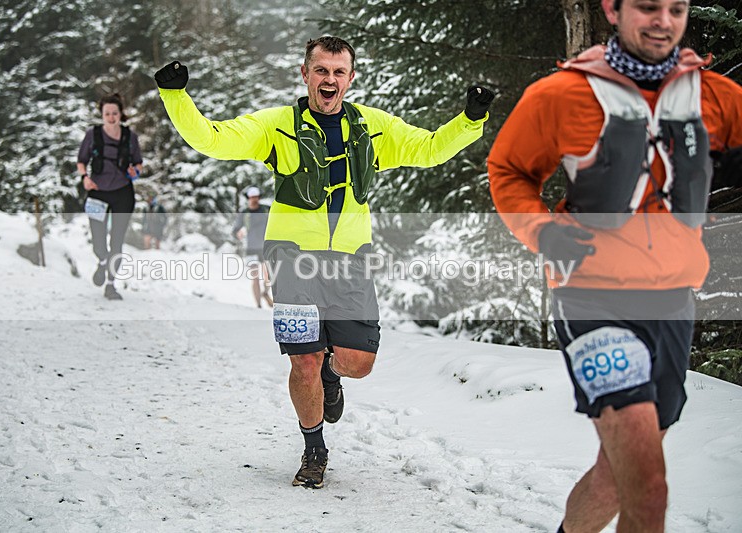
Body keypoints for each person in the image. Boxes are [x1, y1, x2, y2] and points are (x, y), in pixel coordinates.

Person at [155, 36, 494, 488]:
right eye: (321, 70)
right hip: (292, 258)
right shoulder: (277, 126)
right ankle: (314, 447)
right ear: (305, 74)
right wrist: (175, 96)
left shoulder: (373, 128)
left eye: (338, 72)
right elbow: (213, 139)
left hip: (350, 260)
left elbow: (429, 148)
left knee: (358, 361)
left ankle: (333, 375)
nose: (329, 79)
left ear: (350, 78)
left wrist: (470, 120)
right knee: (304, 361)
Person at [487, 1, 742, 531]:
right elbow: (508, 170)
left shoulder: (715, 96)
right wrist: (542, 231)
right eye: (647, 7)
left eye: (676, 8)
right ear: (612, 9)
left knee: (616, 475)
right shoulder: (562, 94)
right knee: (647, 486)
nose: (663, 20)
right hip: (591, 296)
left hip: (673, 298)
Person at [77, 93, 143, 301]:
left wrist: (135, 171)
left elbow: (138, 163)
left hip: (123, 193)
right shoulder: (92, 135)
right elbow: (81, 161)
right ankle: (102, 261)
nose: (111, 117)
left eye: (115, 113)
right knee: (98, 240)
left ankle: (111, 284)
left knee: (117, 241)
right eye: (107, 113)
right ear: (102, 114)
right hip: (97, 191)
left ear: (121, 114)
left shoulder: (130, 137)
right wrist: (85, 178)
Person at [231, 186, 272, 308]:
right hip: (251, 248)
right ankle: (258, 305)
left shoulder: (266, 209)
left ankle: (265, 293)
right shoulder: (245, 213)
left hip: (265, 247)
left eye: (256, 197)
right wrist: (238, 233)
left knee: (268, 276)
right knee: (255, 278)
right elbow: (235, 230)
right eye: (252, 197)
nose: (254, 199)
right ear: (248, 198)